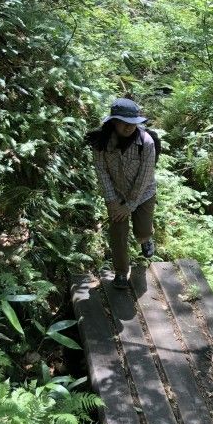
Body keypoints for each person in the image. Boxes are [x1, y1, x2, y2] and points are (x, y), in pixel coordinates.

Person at [88, 98, 157, 289]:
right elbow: (101, 171)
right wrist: (112, 201)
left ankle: (146, 238)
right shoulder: (100, 143)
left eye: (133, 123)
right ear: (113, 122)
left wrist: (130, 206)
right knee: (118, 233)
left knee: (142, 230)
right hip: (117, 194)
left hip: (144, 193)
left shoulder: (146, 142)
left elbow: (145, 177)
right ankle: (120, 273)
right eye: (124, 123)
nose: (129, 127)